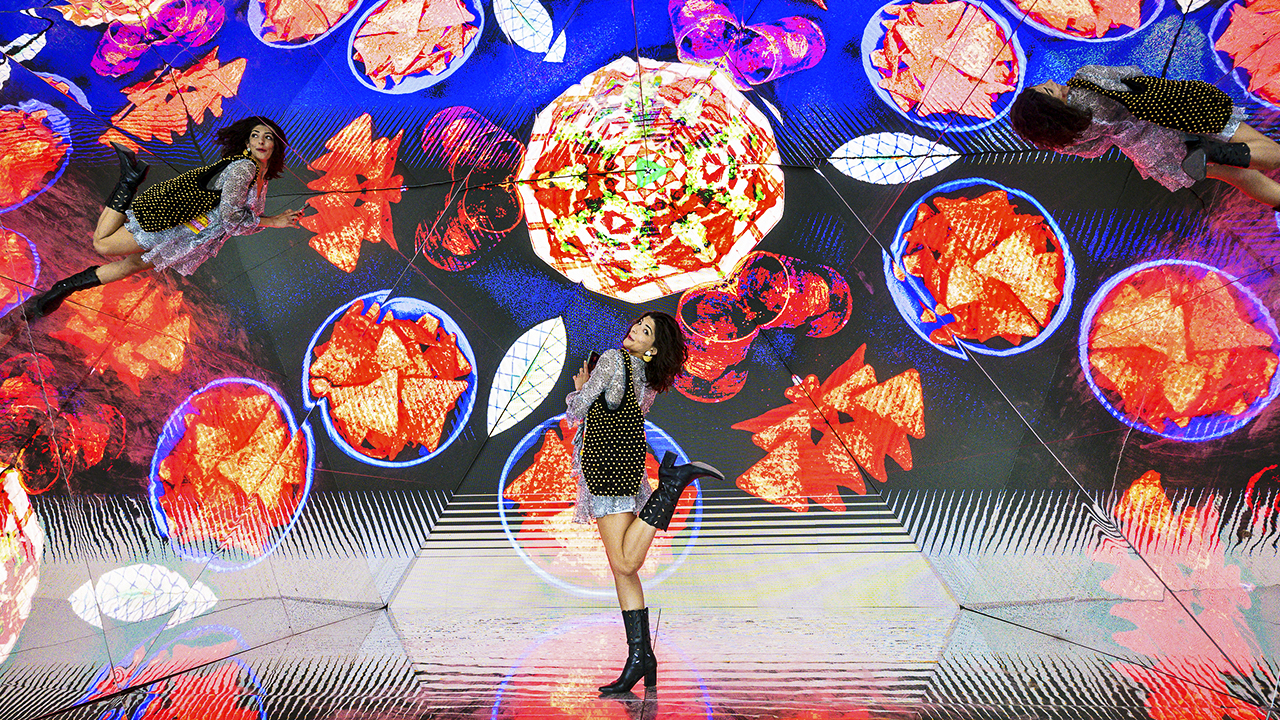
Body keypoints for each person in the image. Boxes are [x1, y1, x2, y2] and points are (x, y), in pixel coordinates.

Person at [565, 312, 722, 694]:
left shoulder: (610, 360)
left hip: (607, 468)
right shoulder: (645, 379)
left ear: (653, 348)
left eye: (646, 331)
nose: (635, 329)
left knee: (624, 562)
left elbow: (576, 411)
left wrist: (581, 388)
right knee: (624, 572)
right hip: (627, 466)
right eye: (638, 323)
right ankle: (640, 657)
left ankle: (672, 487)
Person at [33, 116, 304, 316]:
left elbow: (238, 224)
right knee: (102, 245)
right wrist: (273, 221)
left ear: (275, 145)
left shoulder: (262, 178)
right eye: (256, 135)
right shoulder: (244, 168)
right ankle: (128, 181)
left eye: (268, 137)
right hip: (178, 227)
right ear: (247, 142)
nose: (261, 141)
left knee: (131, 266)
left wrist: (273, 220)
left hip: (190, 237)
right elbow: (231, 216)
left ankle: (62, 289)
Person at [1009, 65, 1280, 211]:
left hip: (1157, 153)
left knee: (1241, 176)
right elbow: (1132, 75)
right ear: (1053, 107)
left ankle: (1211, 155)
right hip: (1175, 114)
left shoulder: (1068, 137)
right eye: (1049, 90)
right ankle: (1212, 151)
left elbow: (1098, 149)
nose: (1053, 83)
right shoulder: (1085, 79)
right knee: (1269, 151)